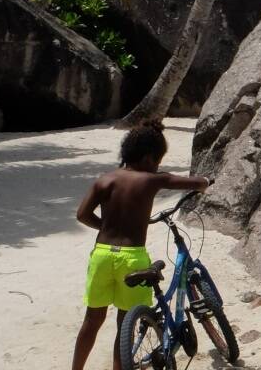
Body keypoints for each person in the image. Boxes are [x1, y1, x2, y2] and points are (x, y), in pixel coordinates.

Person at [71, 127, 210, 370]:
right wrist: (207, 181)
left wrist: (107, 225)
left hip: (102, 255)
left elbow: (82, 215)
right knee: (125, 323)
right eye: (158, 161)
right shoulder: (153, 179)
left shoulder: (105, 179)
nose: (157, 166)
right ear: (148, 157)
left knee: (92, 320)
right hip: (132, 258)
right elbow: (195, 183)